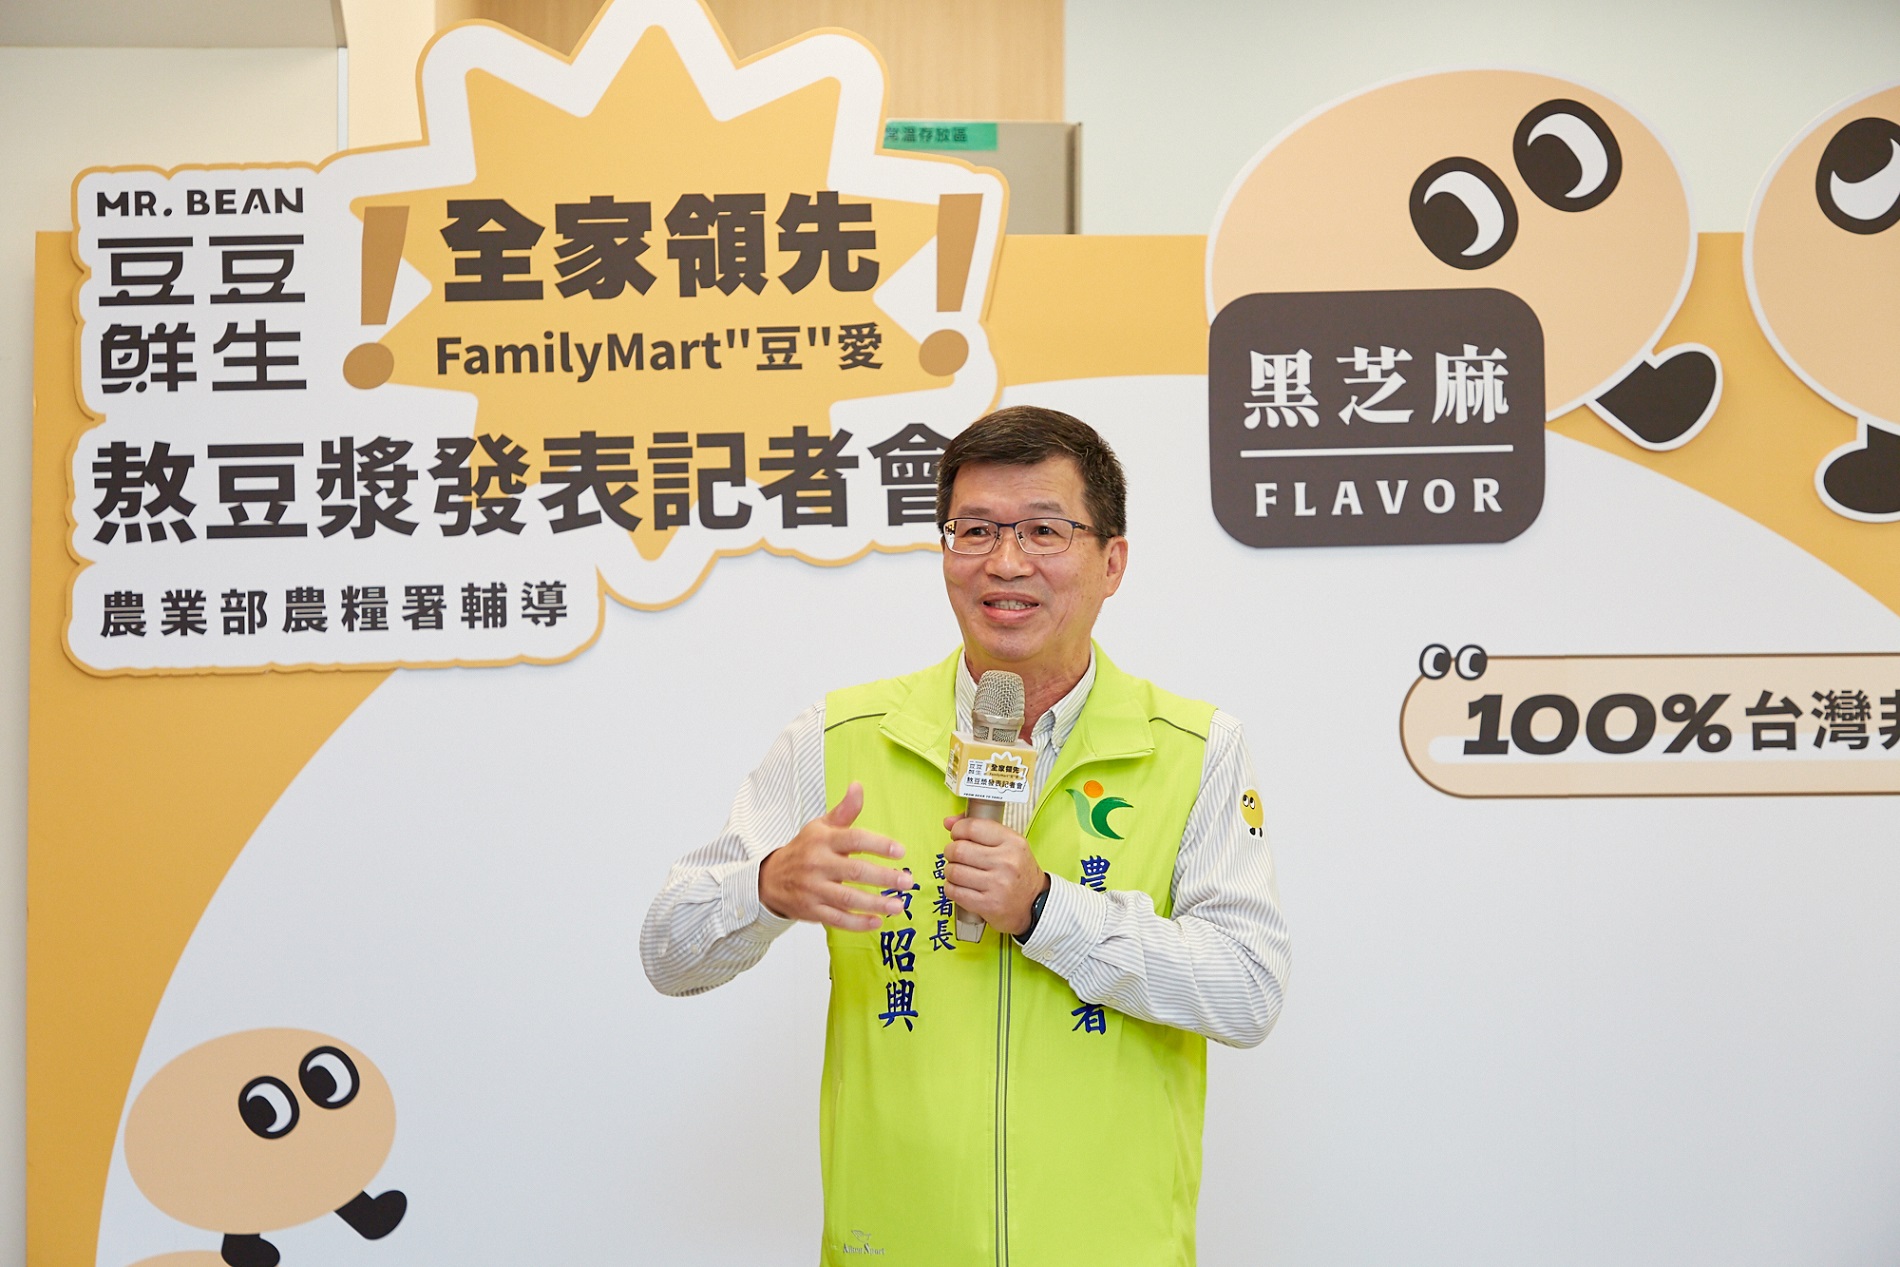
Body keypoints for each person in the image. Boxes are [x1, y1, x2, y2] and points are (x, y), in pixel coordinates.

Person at [642, 405, 1291, 1266]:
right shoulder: (838, 737)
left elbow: (1248, 991)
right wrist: (765, 887)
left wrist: (1048, 911)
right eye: (975, 529)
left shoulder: (1197, 748)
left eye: (1044, 530)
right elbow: (668, 952)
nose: (1005, 561)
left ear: (1112, 561)